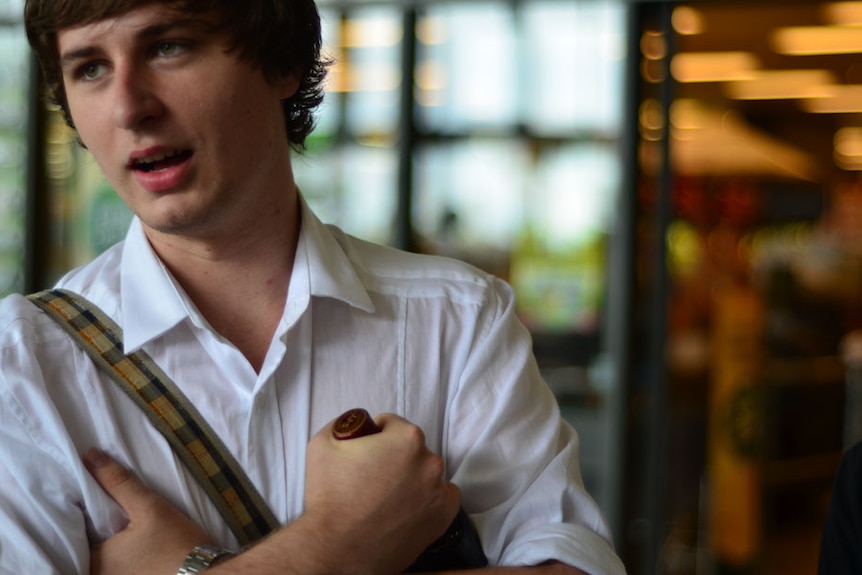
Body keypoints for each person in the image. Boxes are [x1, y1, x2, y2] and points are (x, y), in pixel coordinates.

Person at [0, 1, 626, 574]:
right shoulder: (24, 365)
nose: (128, 107)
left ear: (283, 62)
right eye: (89, 69)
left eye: (168, 47)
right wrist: (343, 541)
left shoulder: (457, 319)